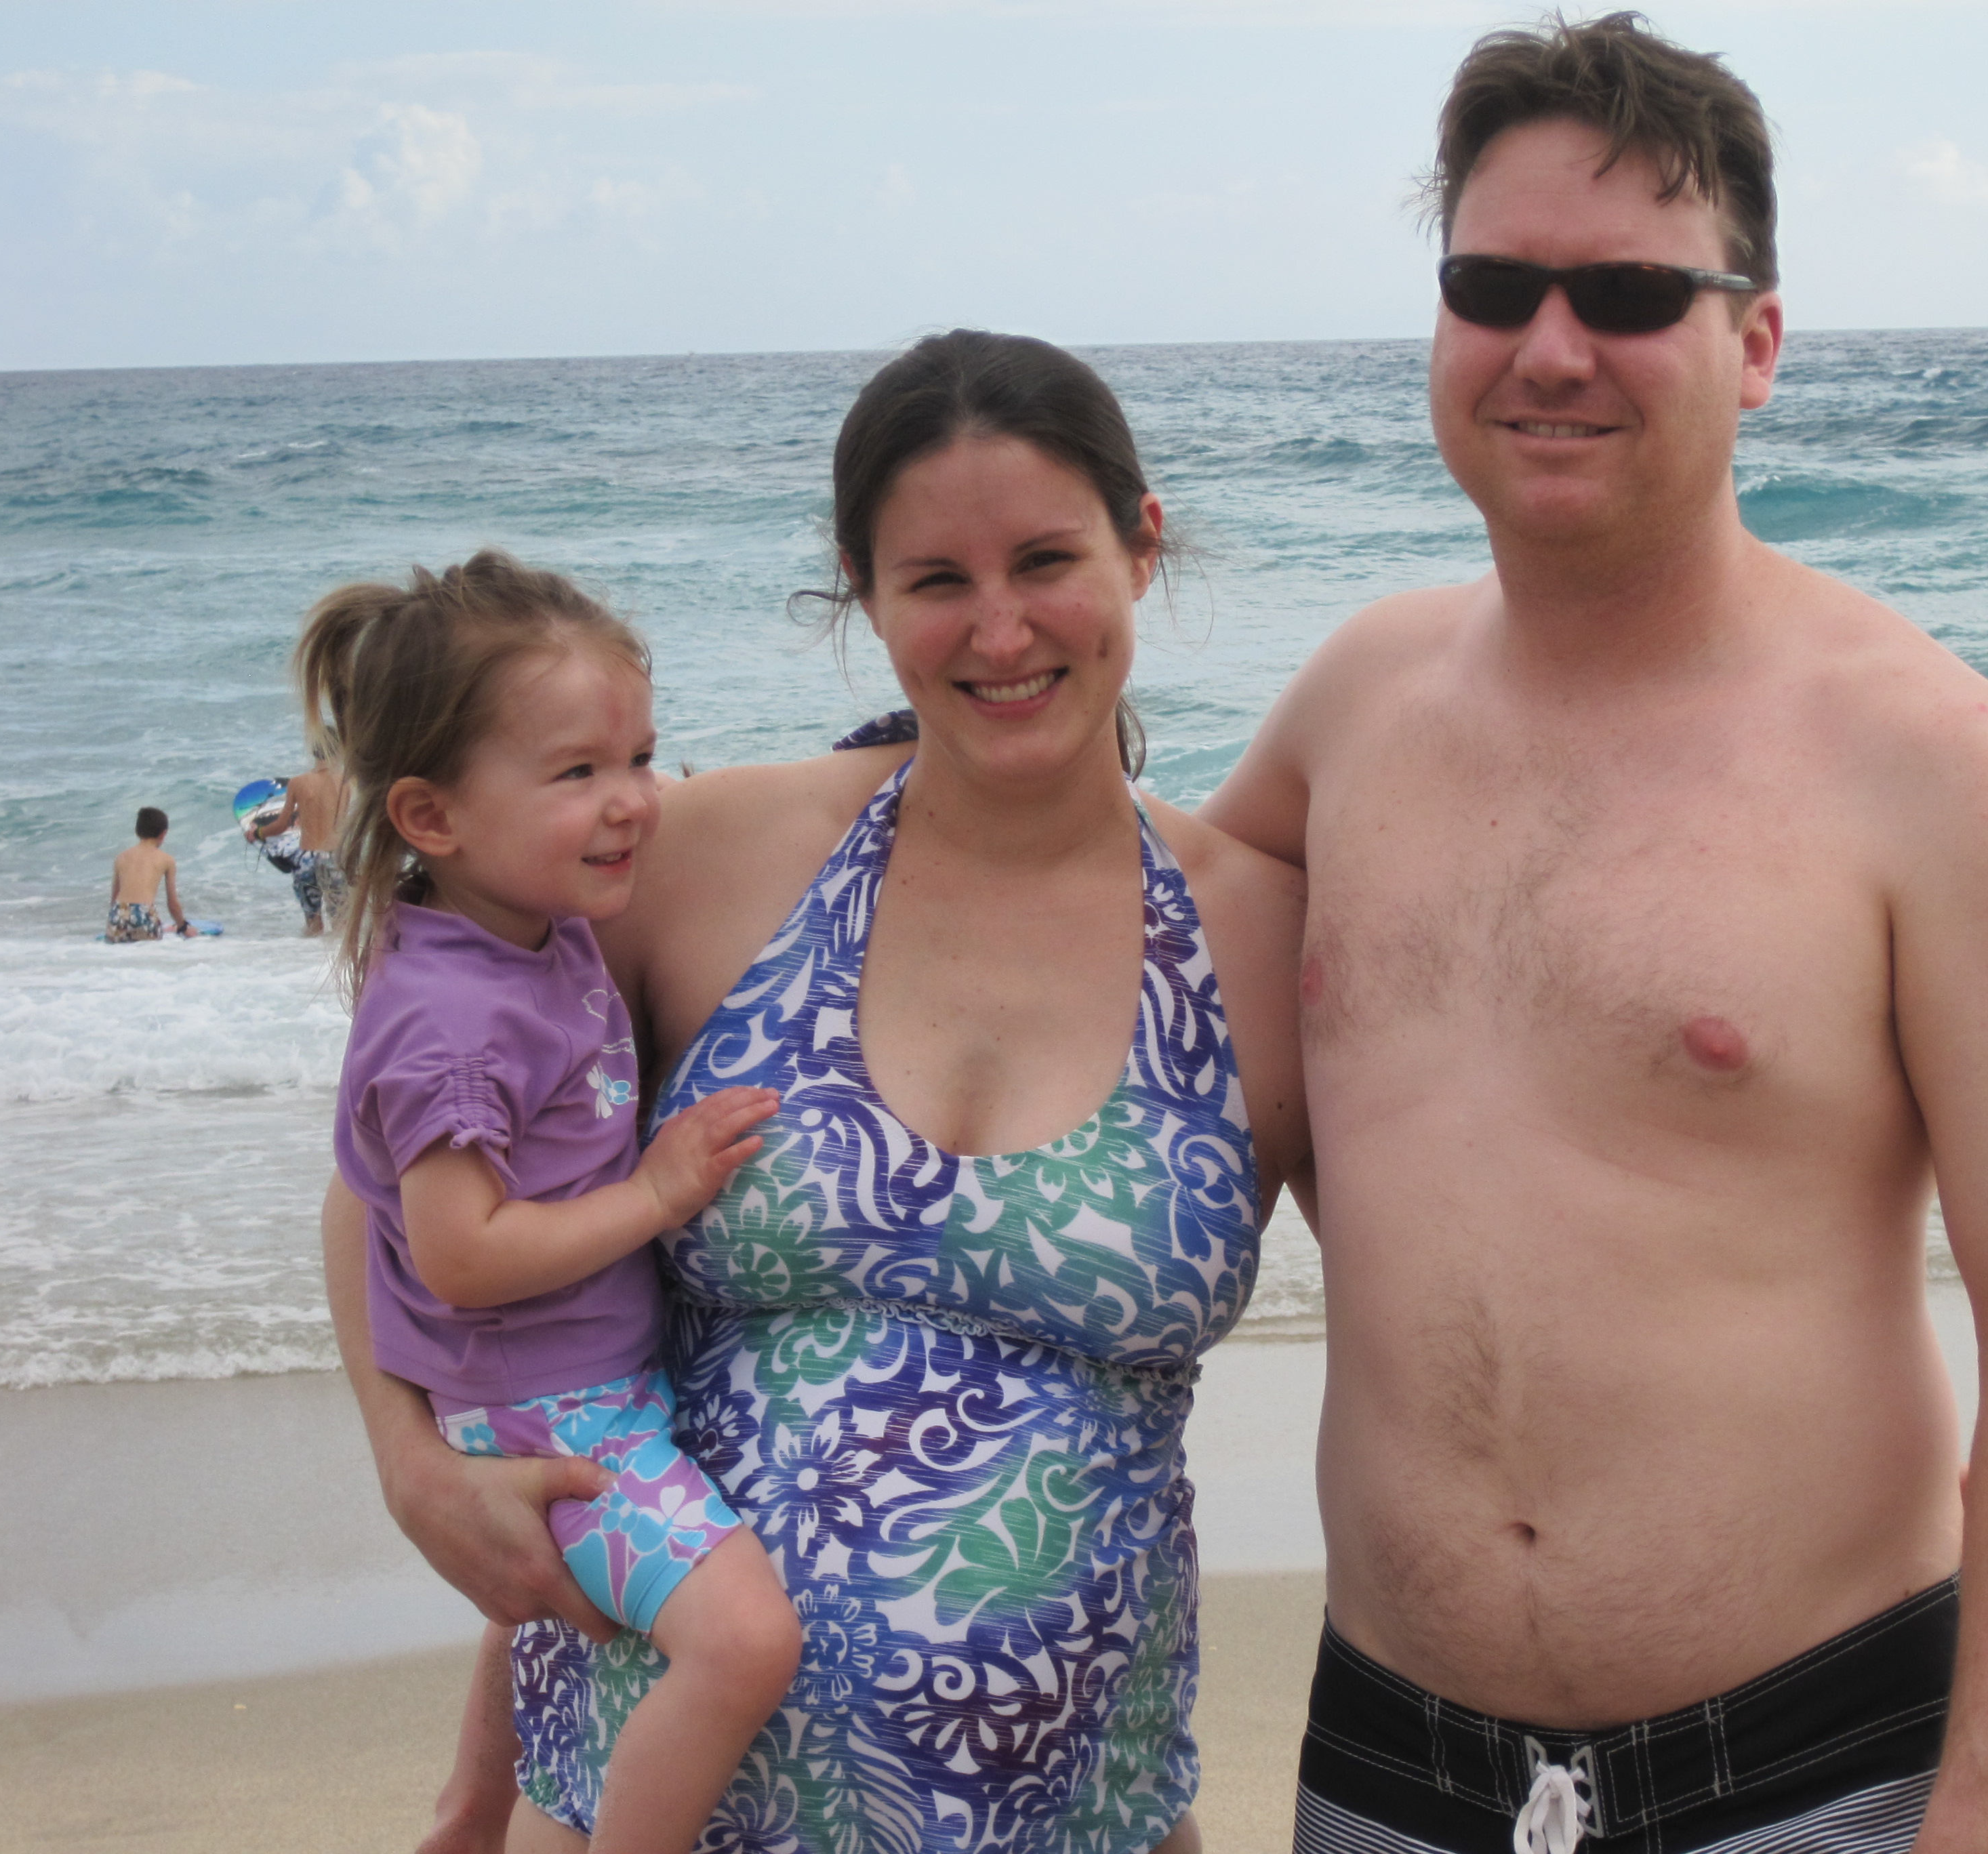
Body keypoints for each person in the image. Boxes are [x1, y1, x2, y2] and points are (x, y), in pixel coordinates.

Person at [1197, 16, 1988, 1854]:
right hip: (1382, 1768)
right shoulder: (1351, 710)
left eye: (1629, 293)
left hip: (1812, 1774)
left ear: (1756, 342)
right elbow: (1094, 916)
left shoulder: (1935, 764)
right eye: (1493, 285)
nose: (1550, 348)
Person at [323, 332, 1310, 1853]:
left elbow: (1436, 1363)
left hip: (1069, 1817)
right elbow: (396, 1173)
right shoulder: (704, 861)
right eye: (936, 580)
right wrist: (409, 1464)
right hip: (627, 1802)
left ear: (1141, 545)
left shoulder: (1256, 936)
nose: (999, 630)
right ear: (863, 590)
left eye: (1047, 560)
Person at [300, 551, 805, 1854]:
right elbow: (460, 1255)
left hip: (575, 1387)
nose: (635, 801)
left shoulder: (527, 923)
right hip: (555, 1415)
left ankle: (483, 1811)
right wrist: (656, 1190)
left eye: (641, 756)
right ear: (431, 817)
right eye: (577, 772)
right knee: (745, 1641)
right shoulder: (454, 1023)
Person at [247, 747, 347, 934]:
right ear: (338, 751)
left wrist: (258, 833)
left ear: (313, 751)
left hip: (305, 858)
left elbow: (281, 825)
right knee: (341, 925)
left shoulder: (298, 782)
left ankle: (308, 952)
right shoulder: (347, 781)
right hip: (334, 856)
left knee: (313, 924)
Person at [106, 806, 195, 941]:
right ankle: (171, 929)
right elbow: (172, 904)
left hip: (118, 915)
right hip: (144, 916)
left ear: (137, 831)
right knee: (150, 944)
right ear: (163, 834)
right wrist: (183, 926)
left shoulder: (121, 858)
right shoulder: (167, 860)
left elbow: (114, 899)